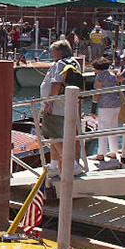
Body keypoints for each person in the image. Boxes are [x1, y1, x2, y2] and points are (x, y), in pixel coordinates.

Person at [40, 39, 84, 175]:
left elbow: (56, 84)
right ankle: (53, 166)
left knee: (53, 137)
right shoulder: (74, 62)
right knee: (55, 136)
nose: (52, 53)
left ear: (60, 52)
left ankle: (72, 165)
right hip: (68, 105)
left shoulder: (60, 64)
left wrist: (49, 102)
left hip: (56, 106)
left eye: (53, 51)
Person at [90, 57, 121, 162]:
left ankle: (100, 154)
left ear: (98, 68)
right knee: (113, 127)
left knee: (102, 129)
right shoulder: (113, 75)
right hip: (116, 104)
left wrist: (93, 108)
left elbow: (97, 94)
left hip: (105, 105)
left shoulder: (100, 77)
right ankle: (113, 151)